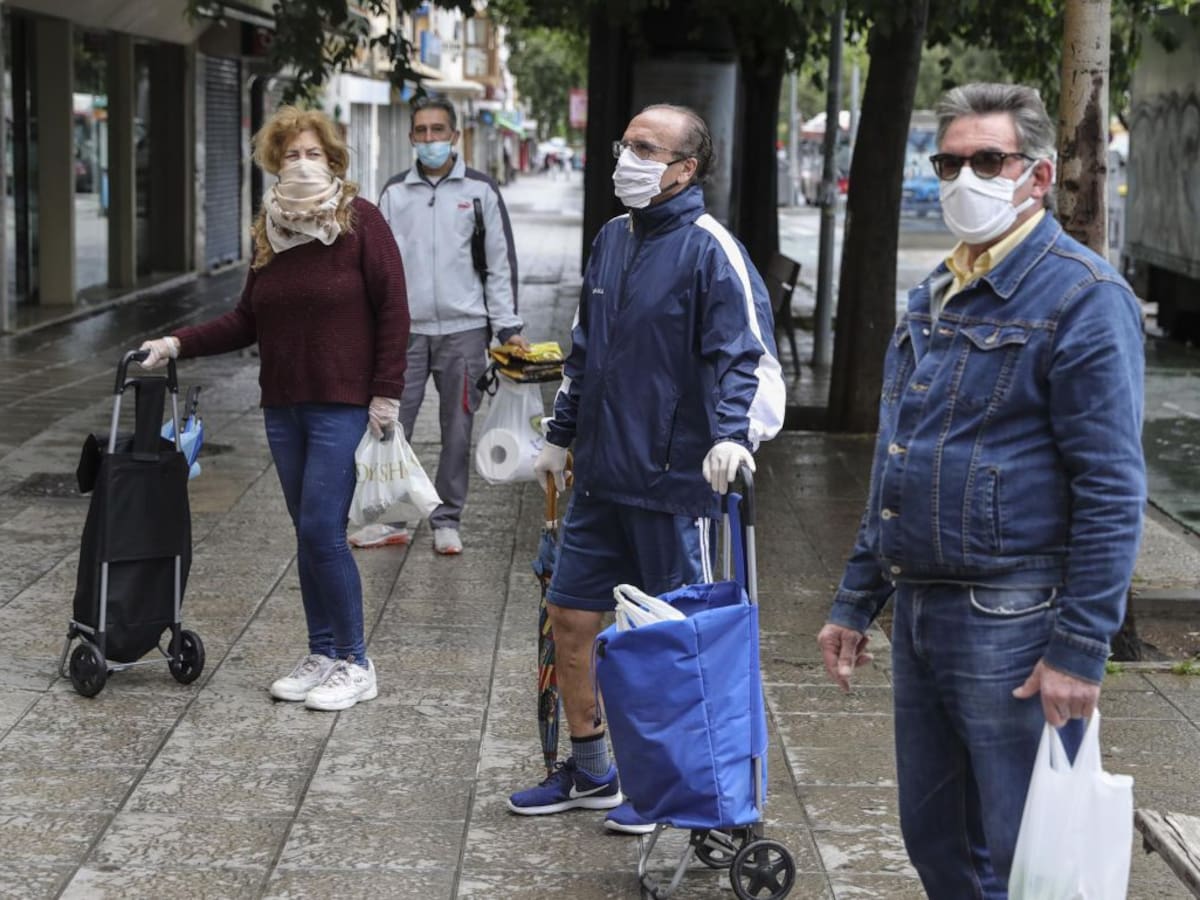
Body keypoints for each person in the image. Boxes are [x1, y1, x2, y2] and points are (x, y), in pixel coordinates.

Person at [816, 83, 1146, 897]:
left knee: (1020, 848)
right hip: (923, 609)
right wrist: (856, 601)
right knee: (937, 843)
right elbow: (899, 457)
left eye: (987, 159)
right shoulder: (939, 288)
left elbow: (1111, 486)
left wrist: (1079, 648)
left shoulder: (1083, 297)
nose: (966, 176)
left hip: (1014, 616)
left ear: (1035, 176)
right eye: (951, 160)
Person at [506, 103, 785, 834]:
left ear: (684, 170)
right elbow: (586, 346)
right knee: (570, 618)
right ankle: (592, 771)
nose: (625, 157)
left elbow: (747, 361)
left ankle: (674, 789)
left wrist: (733, 440)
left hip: (673, 489)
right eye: (624, 143)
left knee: (673, 642)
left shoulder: (709, 249)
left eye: (644, 148)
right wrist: (560, 438)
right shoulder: (611, 239)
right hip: (599, 477)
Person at [139, 106, 409, 712]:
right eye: (292, 155)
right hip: (283, 404)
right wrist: (177, 342)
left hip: (343, 403)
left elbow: (394, 309)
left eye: (315, 154)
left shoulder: (361, 221)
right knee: (307, 533)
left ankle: (355, 661)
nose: (303, 164)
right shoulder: (271, 230)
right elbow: (245, 319)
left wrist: (386, 392)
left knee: (322, 529)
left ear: (334, 161)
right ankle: (321, 653)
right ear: (275, 163)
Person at [377, 96, 528, 556]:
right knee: (390, 427)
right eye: (421, 132)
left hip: (464, 332)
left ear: (454, 136)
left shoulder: (481, 192)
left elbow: (499, 265)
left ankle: (447, 518)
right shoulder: (393, 193)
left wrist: (507, 328)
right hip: (406, 332)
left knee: (457, 431)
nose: (429, 140)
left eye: (437, 131)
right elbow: (378, 268)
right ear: (410, 138)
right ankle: (391, 515)